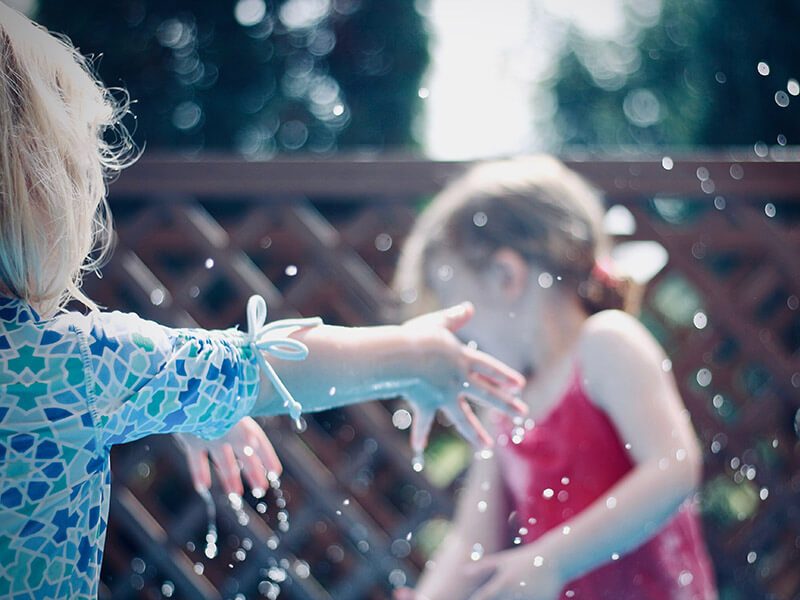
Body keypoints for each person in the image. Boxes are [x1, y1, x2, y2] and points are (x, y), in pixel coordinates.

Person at [0, 6, 527, 598]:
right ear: (43, 197)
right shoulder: (64, 364)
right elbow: (264, 364)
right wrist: (417, 353)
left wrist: (186, 402)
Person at [392, 157, 717, 600]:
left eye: (453, 303)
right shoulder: (504, 403)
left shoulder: (605, 345)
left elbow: (674, 469)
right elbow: (472, 540)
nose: (459, 338)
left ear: (507, 276)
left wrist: (553, 560)